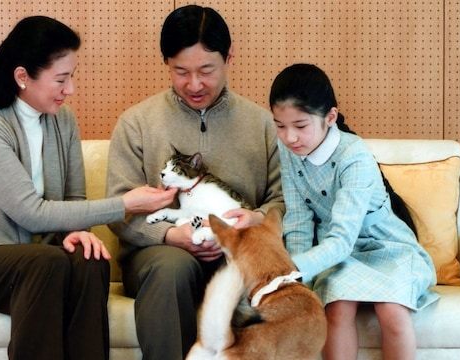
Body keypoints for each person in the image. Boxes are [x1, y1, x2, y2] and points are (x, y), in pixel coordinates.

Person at [0, 16, 177, 360]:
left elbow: (73, 200)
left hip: (37, 258)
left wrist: (76, 232)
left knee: (90, 259)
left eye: (72, 77)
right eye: (61, 79)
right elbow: (31, 214)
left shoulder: (62, 119)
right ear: (22, 77)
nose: (70, 90)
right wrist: (125, 204)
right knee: (45, 262)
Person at [104, 5, 284, 359]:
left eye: (206, 70)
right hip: (160, 257)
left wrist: (256, 220)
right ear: (166, 63)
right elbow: (118, 208)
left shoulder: (262, 125)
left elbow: (282, 199)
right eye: (180, 72)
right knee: (171, 269)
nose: (194, 85)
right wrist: (171, 235)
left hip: (239, 250)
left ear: (229, 58)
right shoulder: (137, 122)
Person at [269, 63, 439, 360]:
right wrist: (301, 285)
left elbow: (342, 240)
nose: (290, 137)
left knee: (392, 312)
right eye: (280, 126)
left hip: (386, 246)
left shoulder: (354, 155)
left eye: (300, 126)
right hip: (338, 253)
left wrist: (293, 269)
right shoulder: (289, 150)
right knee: (336, 307)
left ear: (330, 117)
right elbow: (298, 220)